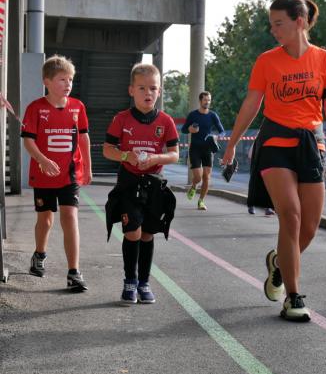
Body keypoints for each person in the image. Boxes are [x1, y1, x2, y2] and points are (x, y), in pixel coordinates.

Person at [222, 0, 326, 322]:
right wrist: (232, 143)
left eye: (278, 23)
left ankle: (279, 264)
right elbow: (252, 103)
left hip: (312, 142)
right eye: (271, 24)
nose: (273, 30)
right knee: (290, 216)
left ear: (300, 22)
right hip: (275, 140)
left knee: (309, 226)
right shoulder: (267, 61)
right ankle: (293, 297)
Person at [103, 63, 179, 306]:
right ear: (131, 90)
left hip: (154, 185)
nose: (148, 93)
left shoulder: (166, 121)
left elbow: (175, 154)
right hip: (129, 183)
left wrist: (156, 158)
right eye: (142, 88)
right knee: (132, 231)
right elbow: (107, 149)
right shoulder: (121, 119)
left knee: (147, 234)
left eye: (153, 88)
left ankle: (144, 282)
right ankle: (130, 281)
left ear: (159, 91)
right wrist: (126, 156)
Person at [21, 54, 92, 292]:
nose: (68, 84)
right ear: (47, 81)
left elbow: (83, 137)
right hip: (43, 175)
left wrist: (88, 168)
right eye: (62, 79)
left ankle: (74, 272)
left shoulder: (77, 107)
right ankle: (40, 253)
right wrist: (43, 160)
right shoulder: (36, 108)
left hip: (69, 174)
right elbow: (28, 141)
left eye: (70, 79)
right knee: (46, 219)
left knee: (69, 217)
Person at [181, 91, 225, 211]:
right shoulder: (193, 115)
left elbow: (222, 131)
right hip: (195, 149)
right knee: (198, 177)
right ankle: (194, 186)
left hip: (208, 149)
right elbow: (184, 130)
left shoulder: (213, 115)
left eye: (209, 100)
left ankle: (201, 201)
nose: (207, 102)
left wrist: (217, 136)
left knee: (206, 177)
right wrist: (190, 129)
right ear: (200, 101)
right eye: (205, 100)